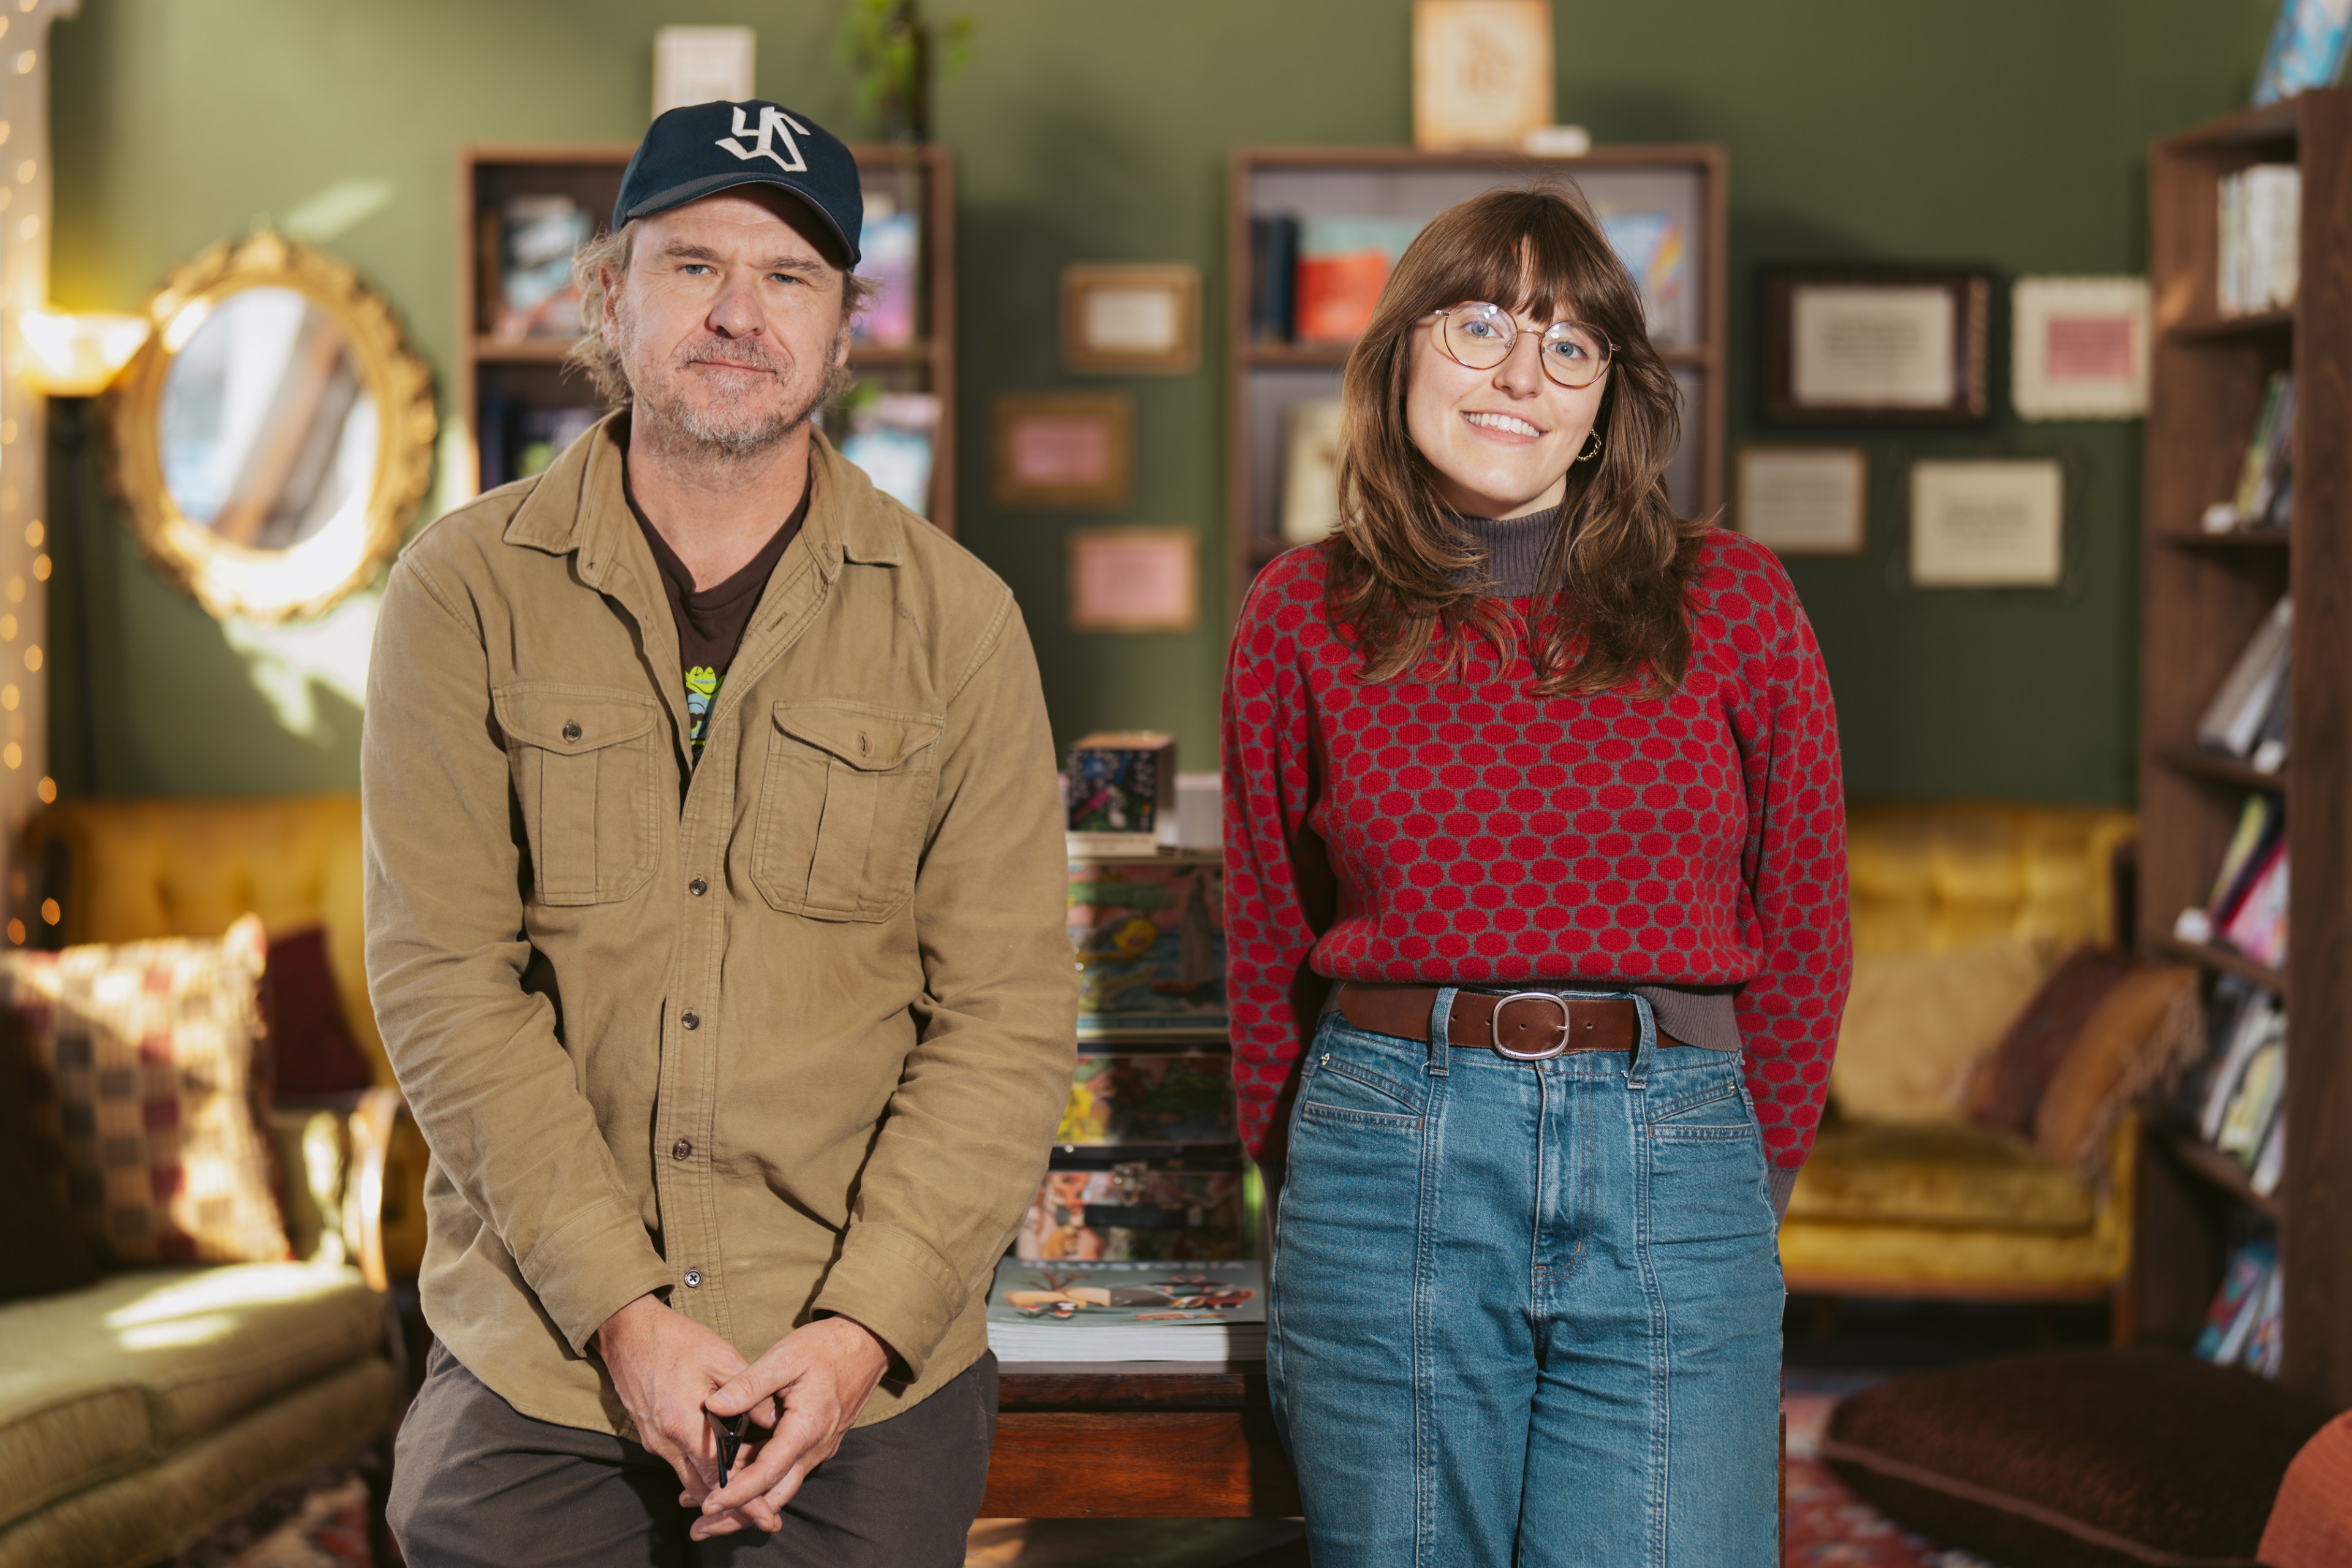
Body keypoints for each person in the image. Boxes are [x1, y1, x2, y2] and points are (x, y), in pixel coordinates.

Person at [365, 99, 1076, 1567]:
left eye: (791, 276)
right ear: (607, 295)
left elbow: (1004, 1022)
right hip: (546, 1355)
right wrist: (625, 1313)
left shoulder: (961, 623)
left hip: (854, 1368)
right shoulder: (461, 592)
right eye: (693, 265)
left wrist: (859, 1331)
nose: (740, 313)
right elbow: (445, 982)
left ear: (843, 326)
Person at [1222, 184, 1850, 1566]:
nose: (1523, 374)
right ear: (1400, 354)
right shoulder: (1299, 611)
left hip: (1677, 1159)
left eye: (1572, 347)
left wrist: (1746, 1172)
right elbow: (1268, 936)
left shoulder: (1732, 602)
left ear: (1608, 395)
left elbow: (1803, 919)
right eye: (1484, 323)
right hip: (1384, 1158)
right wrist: (1299, 1199)